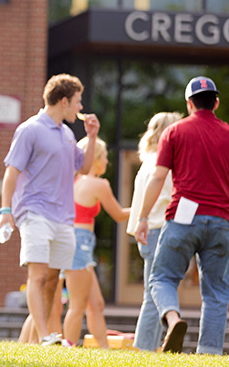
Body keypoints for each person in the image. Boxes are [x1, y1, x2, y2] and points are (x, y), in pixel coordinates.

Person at [133, 76, 229, 355]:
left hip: (182, 219)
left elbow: (158, 177)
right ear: (216, 102)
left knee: (162, 278)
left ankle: (173, 319)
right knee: (217, 293)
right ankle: (208, 353)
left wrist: (143, 217)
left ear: (189, 103)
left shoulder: (175, 132)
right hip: (221, 220)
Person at [0, 74, 100, 346]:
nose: (80, 108)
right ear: (64, 101)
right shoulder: (30, 130)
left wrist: (91, 137)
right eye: (78, 102)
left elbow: (85, 168)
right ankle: (45, 336)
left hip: (64, 218)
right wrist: (5, 210)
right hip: (34, 213)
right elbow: (11, 173)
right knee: (38, 274)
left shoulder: (67, 134)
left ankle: (41, 336)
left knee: (54, 279)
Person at [62, 137, 130, 348]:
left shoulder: (72, 181)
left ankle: (104, 351)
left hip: (76, 243)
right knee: (78, 305)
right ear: (96, 158)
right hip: (80, 243)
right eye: (106, 157)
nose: (107, 162)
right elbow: (118, 214)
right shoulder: (98, 184)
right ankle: (68, 350)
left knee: (96, 304)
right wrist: (149, 209)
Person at [126, 111, 182, 352]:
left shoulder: (148, 162)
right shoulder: (165, 165)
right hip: (160, 229)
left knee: (155, 291)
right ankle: (144, 347)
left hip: (148, 232)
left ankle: (150, 345)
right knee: (155, 292)